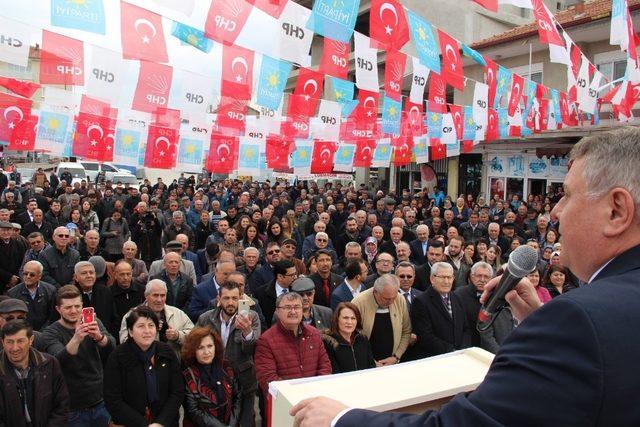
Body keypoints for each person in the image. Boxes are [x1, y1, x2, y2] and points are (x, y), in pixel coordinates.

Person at [290, 125, 640, 426]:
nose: (556, 212)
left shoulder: (576, 320)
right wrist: (543, 323)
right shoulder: (585, 319)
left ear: (616, 211)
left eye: (565, 195)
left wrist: (341, 419)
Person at [41, 285, 115, 427]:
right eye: (68, 307)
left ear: (82, 306)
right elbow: (58, 360)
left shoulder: (94, 322)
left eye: (77, 306)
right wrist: (76, 338)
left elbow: (112, 346)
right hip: (71, 408)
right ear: (58, 309)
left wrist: (99, 338)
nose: (74, 311)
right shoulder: (50, 333)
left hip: (100, 401)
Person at [104, 306, 184, 427]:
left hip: (165, 423)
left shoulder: (166, 351)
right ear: (130, 331)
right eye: (141, 326)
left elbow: (177, 391)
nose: (147, 331)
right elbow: (113, 399)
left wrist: (160, 422)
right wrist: (143, 424)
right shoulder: (118, 356)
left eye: (151, 325)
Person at [196, 281, 260, 426]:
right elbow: (195, 346)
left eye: (234, 298)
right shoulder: (205, 318)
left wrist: (247, 332)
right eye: (226, 298)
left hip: (244, 381)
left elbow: (251, 351)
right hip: (214, 380)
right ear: (219, 299)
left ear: (241, 299)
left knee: (246, 421)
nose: (230, 302)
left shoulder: (252, 317)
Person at [254, 292, 331, 394]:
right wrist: (295, 393)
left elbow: (325, 366)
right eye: (287, 307)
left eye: (297, 307)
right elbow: (267, 378)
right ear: (277, 311)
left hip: (314, 397)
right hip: (285, 401)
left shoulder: (314, 334)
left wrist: (315, 389)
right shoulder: (266, 340)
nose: (293, 311)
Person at [0, 319, 69, 426]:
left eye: (20, 341)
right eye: (9, 342)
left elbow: (62, 405)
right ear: (2, 342)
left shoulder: (50, 364)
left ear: (31, 340)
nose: (14, 348)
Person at [410, 262, 471, 358]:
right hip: (435, 358)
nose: (446, 281)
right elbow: (425, 336)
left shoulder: (457, 298)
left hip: (459, 356)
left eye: (449, 277)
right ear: (432, 279)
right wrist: (451, 351)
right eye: (442, 277)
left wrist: (462, 349)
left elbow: (465, 328)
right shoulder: (421, 302)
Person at [181, 327, 239, 427]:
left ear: (215, 346)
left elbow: (238, 397)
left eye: (210, 346)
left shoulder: (226, 367)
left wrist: (232, 423)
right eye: (200, 347)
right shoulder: (188, 375)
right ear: (192, 350)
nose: (207, 352)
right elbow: (193, 410)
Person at [119, 280, 194, 355]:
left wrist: (177, 335)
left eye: (162, 295)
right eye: (155, 295)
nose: (159, 300)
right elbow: (124, 342)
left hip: (173, 363)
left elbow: (194, 336)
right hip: (140, 363)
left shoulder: (178, 313)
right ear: (146, 296)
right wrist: (150, 335)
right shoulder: (131, 315)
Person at [351, 274, 411, 366]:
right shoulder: (358, 303)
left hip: (393, 362)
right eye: (386, 298)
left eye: (393, 297)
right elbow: (352, 336)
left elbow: (406, 331)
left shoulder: (400, 299)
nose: (391, 302)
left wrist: (396, 357)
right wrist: (370, 361)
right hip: (365, 363)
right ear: (375, 291)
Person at [321, 302, 376, 374]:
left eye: (353, 318)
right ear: (337, 319)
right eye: (345, 318)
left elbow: (371, 365)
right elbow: (334, 372)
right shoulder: (328, 342)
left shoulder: (362, 339)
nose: (349, 322)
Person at [7, 260, 57, 331]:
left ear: (40, 276)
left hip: (46, 333)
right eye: (25, 274)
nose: (28, 276)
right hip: (21, 332)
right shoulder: (12, 293)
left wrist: (43, 332)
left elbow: (52, 317)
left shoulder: (50, 291)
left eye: (32, 274)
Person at [455, 261, 493, 347]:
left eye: (486, 277)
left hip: (489, 347)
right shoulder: (459, 294)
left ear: (491, 279)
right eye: (479, 276)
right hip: (466, 346)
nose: (482, 280)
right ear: (472, 277)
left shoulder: (495, 297)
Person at [253, 259, 297, 327]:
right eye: (292, 275)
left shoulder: (298, 290)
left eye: (295, 274)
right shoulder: (261, 293)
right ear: (280, 277)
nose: (295, 277)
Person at [109, 260, 145, 341]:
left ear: (132, 273)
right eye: (122, 274)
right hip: (117, 336)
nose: (125, 278)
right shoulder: (108, 293)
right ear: (115, 275)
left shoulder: (142, 290)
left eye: (128, 274)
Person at [0, 220, 26, 293]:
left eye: (8, 230)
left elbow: (23, 261)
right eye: (3, 230)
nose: (6, 233)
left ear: (12, 231)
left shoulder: (18, 244)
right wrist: (9, 277)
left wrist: (16, 277)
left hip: (17, 280)